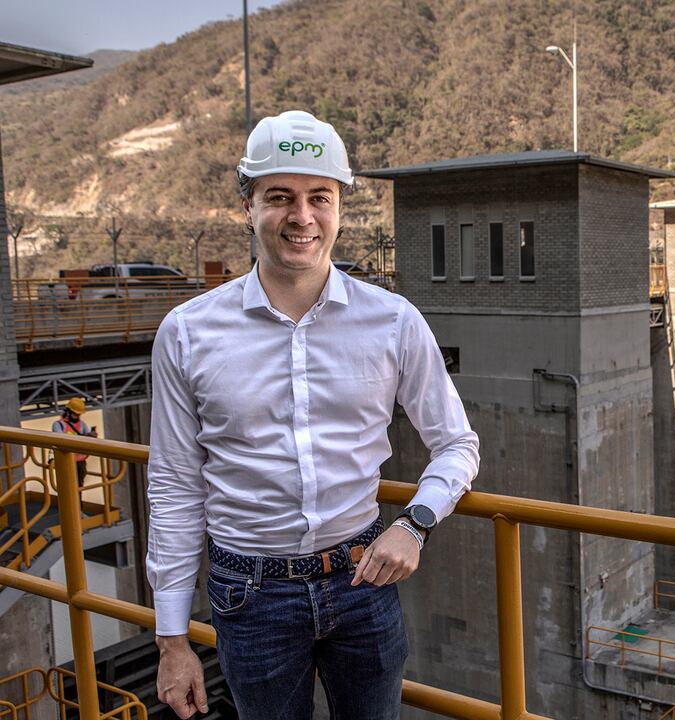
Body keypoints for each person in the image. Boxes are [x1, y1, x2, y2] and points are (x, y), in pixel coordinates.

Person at [146, 110, 479, 720]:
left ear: (340, 208)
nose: (302, 217)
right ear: (248, 204)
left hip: (362, 582)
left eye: (319, 197)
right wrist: (172, 640)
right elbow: (173, 483)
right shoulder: (188, 333)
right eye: (280, 197)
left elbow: (457, 443)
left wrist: (416, 523)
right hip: (249, 594)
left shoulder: (393, 321)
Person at [50, 396, 97, 484]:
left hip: (80, 462)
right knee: (67, 485)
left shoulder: (82, 425)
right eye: (75, 414)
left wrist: (91, 436)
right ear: (68, 412)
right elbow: (60, 441)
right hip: (65, 461)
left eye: (79, 414)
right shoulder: (58, 425)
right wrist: (84, 437)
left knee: (79, 486)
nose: (77, 416)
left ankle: (78, 498)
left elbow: (88, 439)